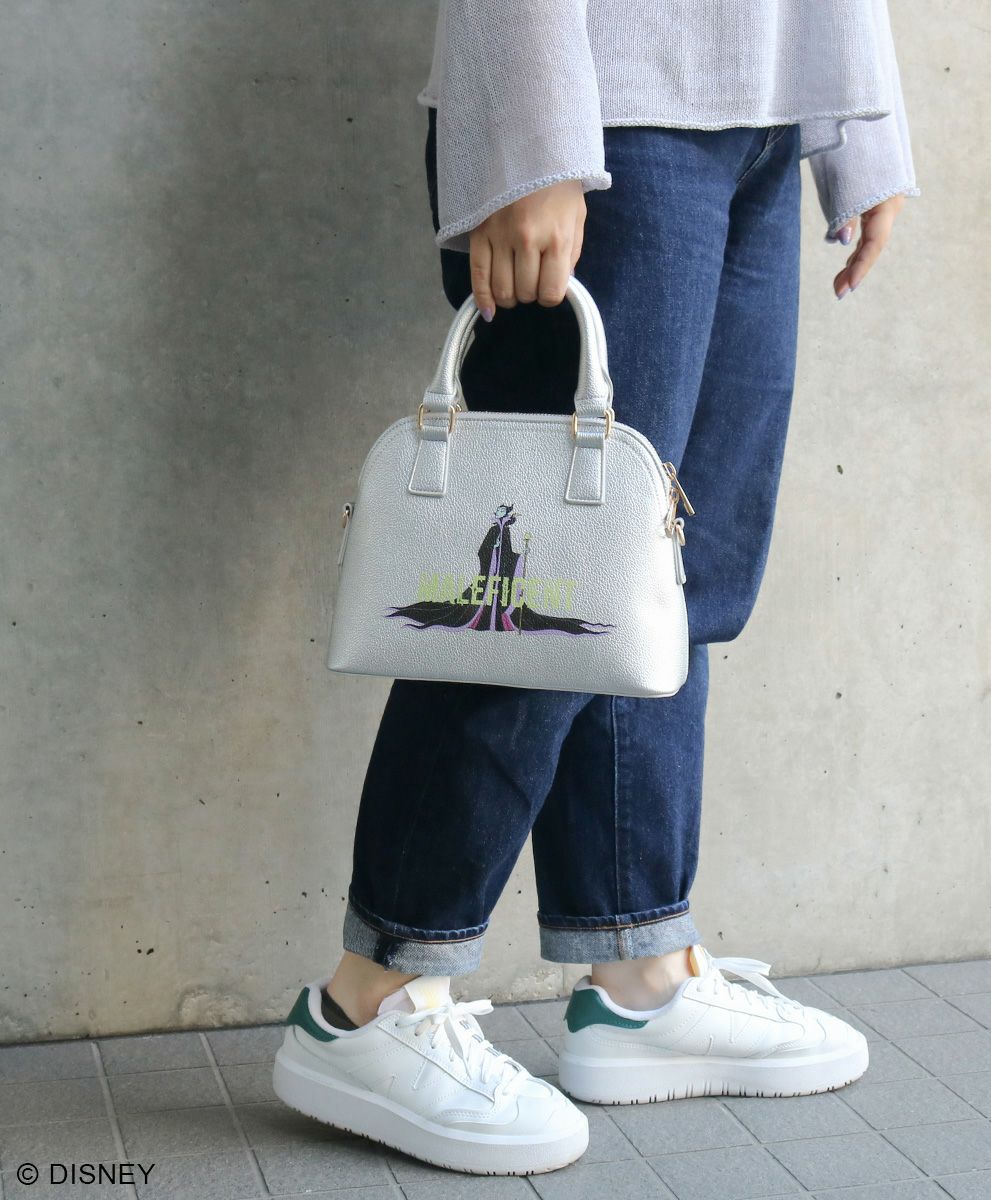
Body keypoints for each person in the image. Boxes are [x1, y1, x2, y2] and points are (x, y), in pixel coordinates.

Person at [272, 0, 919, 1177]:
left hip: (767, 102)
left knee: (663, 583)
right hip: (607, 104)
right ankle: (371, 1000)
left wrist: (858, 118)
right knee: (535, 596)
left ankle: (640, 976)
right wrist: (533, 135)